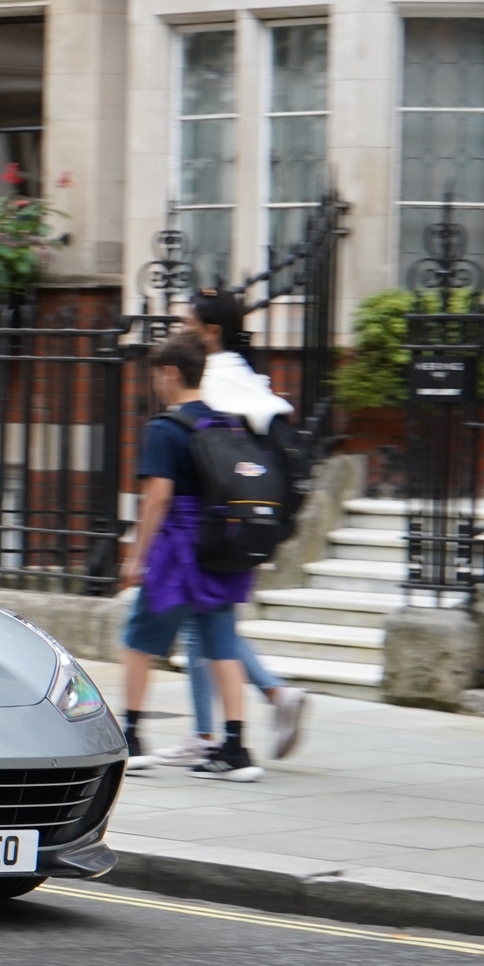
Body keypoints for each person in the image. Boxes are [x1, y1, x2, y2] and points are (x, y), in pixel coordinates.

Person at [172, 287, 311, 762]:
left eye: (187, 324)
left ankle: (239, 717)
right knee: (208, 622)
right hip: (249, 519)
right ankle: (213, 730)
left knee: (205, 622)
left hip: (214, 520)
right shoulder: (250, 378)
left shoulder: (214, 379)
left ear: (209, 332)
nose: (181, 331)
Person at [120, 333, 263, 782]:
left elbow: (157, 496)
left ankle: (133, 737)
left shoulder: (164, 429)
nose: (156, 385)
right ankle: (236, 747)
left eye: (157, 376)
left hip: (178, 549)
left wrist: (135, 557)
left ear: (170, 374)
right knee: (221, 644)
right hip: (222, 547)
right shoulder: (227, 423)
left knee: (140, 638)